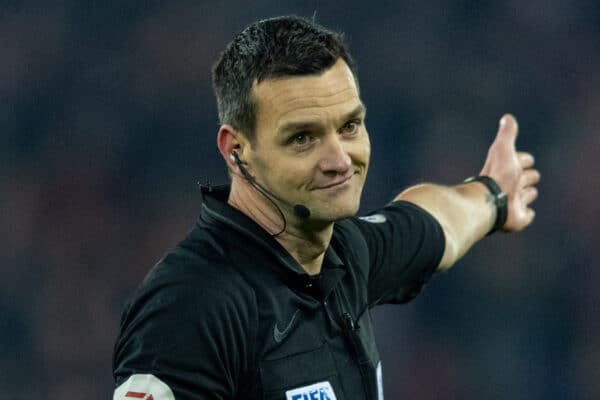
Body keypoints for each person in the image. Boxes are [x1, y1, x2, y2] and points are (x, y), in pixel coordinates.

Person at [112, 15, 540, 400]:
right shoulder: (191, 309)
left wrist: (494, 196)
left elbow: (435, 220)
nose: (339, 160)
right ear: (237, 150)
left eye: (350, 126)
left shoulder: (342, 255)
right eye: (303, 138)